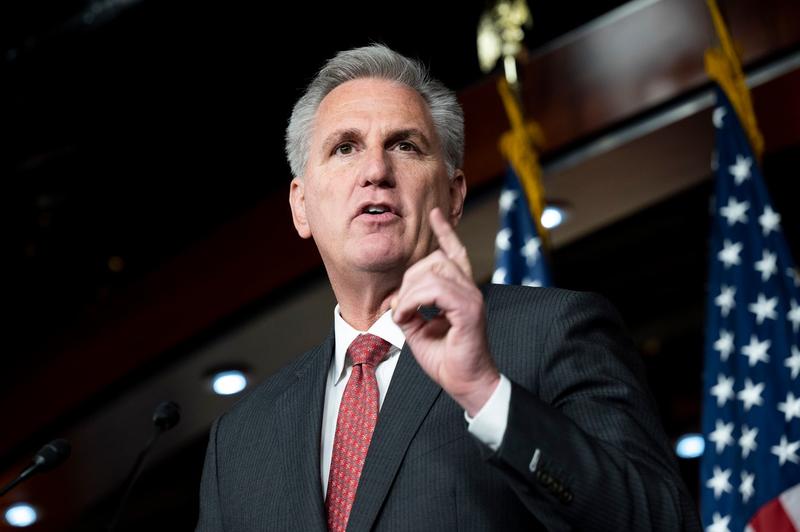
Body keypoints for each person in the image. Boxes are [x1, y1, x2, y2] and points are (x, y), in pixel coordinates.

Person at [197, 44, 700, 531]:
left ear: (454, 195)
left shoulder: (552, 333)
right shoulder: (241, 438)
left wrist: (485, 392)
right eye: (345, 147)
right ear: (300, 206)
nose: (376, 171)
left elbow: (663, 522)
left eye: (405, 146)